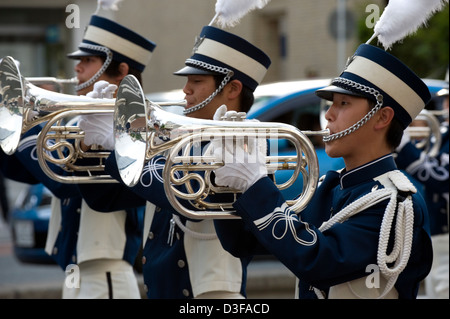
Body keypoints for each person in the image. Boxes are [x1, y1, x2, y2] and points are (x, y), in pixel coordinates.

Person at [212, 43, 433, 299]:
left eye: (343, 103)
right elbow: (243, 243)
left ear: (382, 118)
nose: (328, 115)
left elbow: (318, 261)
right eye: (331, 104)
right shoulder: (330, 187)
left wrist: (256, 184)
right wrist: (229, 179)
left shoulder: (393, 203)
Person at [78, 25, 271, 298]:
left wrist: (122, 146)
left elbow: (184, 194)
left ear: (232, 89)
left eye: (196, 82)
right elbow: (105, 199)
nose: (185, 90)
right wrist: (91, 146)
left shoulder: (242, 145)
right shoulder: (179, 142)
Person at [0, 13, 156, 299]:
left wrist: (30, 124)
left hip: (107, 273)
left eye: (88, 61)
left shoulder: (134, 130)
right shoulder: (76, 123)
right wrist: (9, 123)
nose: (77, 67)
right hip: (77, 271)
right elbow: (19, 169)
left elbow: (66, 181)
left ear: (121, 71)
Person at [395, 86, 449, 298]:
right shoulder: (441, 135)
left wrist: (406, 147)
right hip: (438, 233)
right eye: (445, 101)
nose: (446, 108)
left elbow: (443, 180)